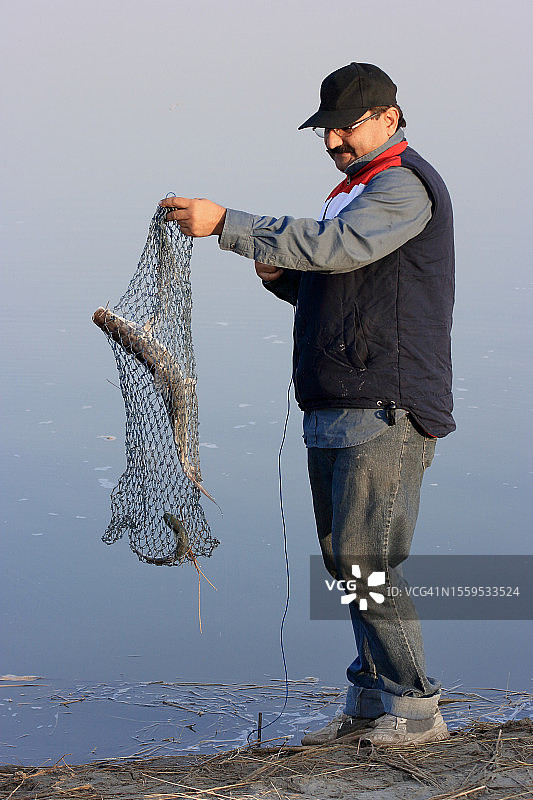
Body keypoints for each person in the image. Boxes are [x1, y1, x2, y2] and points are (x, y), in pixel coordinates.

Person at [160, 62, 455, 746]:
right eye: (325, 130)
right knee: (344, 559)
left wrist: (228, 224)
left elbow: (338, 248)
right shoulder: (353, 191)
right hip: (338, 400)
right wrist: (281, 276)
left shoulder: (402, 188)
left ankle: (415, 712)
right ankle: (368, 701)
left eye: (344, 128)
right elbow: (338, 282)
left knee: (367, 560)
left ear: (388, 118)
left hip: (385, 405)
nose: (331, 141)